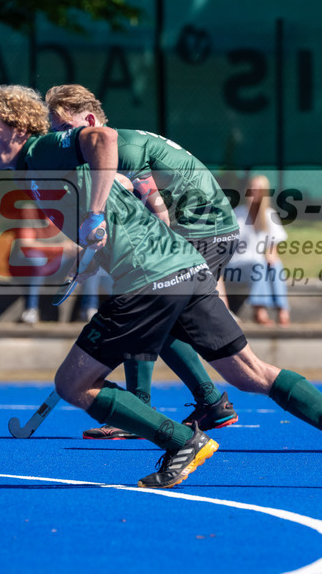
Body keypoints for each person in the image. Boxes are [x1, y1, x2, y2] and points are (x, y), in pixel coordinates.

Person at [0, 85, 322, 488]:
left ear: (19, 128)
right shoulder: (37, 169)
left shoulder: (42, 149)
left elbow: (103, 139)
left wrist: (96, 212)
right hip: (184, 267)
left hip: (151, 278)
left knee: (72, 384)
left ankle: (182, 440)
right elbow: (121, 210)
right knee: (251, 374)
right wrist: (90, 245)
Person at [45, 83, 241, 440]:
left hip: (204, 230)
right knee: (150, 311)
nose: (59, 141)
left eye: (63, 129)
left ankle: (179, 405)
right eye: (52, 132)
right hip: (198, 229)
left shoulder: (118, 150)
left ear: (89, 120)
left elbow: (159, 215)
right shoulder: (111, 149)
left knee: (153, 308)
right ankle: (171, 405)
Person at [228, 174, 291, 326]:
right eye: (251, 188)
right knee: (258, 264)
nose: (253, 192)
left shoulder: (269, 215)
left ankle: (282, 309)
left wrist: (271, 256)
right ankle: (258, 309)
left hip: (257, 265)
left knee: (275, 265)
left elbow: (273, 248)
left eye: (258, 189)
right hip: (236, 265)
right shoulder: (238, 214)